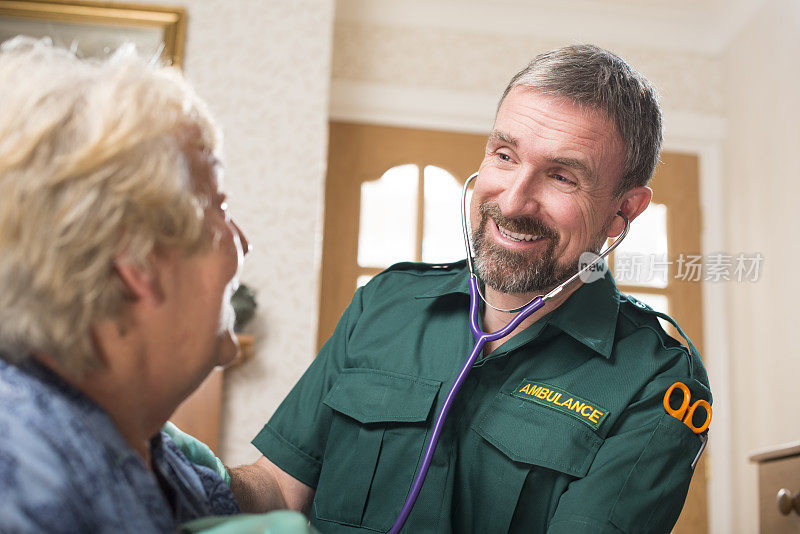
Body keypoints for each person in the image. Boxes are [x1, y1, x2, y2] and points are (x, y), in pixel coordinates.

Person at [225, 45, 711, 533]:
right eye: (505, 155)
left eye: (561, 176)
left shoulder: (660, 378)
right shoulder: (386, 302)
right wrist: (174, 471)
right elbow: (278, 489)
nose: (514, 200)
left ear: (623, 210)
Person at [0, 38, 313, 533]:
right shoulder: (18, 465)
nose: (243, 244)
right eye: (220, 208)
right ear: (136, 258)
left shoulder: (159, 457)